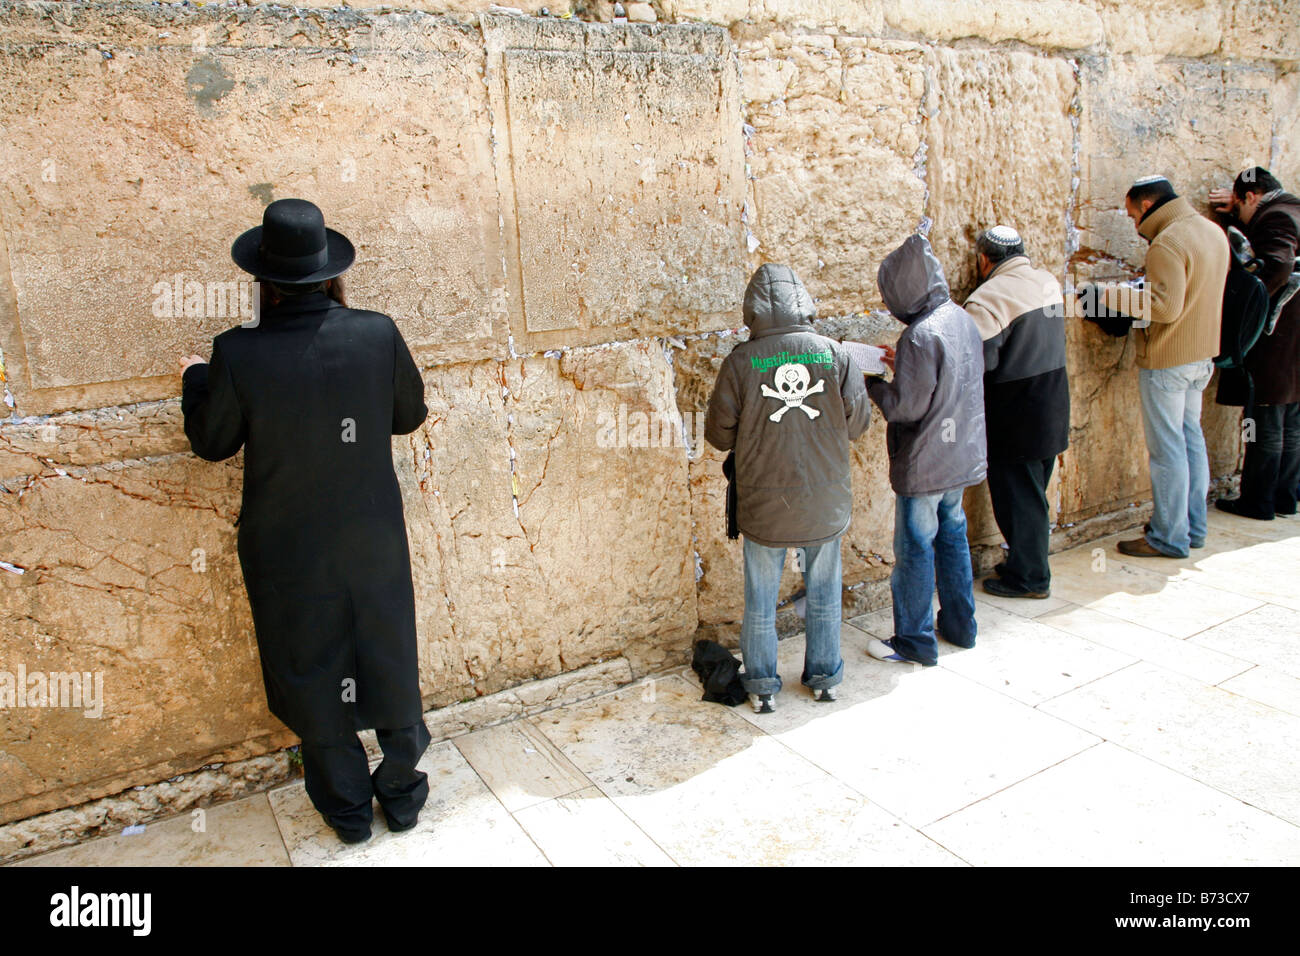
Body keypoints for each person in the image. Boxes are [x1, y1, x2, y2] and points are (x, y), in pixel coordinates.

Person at [180, 198, 431, 844]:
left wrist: (195, 382)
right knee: (388, 656)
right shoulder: (377, 333)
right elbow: (408, 414)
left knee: (314, 671)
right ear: (329, 271)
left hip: (289, 550)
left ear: (265, 281)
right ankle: (401, 795)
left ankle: (348, 809)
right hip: (372, 538)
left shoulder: (236, 355)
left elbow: (213, 441)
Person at [704, 263, 872, 713]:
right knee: (823, 591)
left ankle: (760, 685)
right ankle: (825, 678)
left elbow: (718, 435)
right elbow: (859, 424)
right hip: (824, 502)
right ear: (804, 303)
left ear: (753, 310)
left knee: (760, 600)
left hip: (763, 505)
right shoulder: (835, 354)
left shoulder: (741, 361)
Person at [1083, 176, 1228, 558]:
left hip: (1169, 360)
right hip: (1201, 357)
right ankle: (1193, 529)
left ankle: (1168, 537)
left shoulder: (1167, 242)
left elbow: (1165, 307)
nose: (1134, 226)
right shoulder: (1212, 232)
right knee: (1190, 440)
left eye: (1133, 216)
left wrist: (1108, 294)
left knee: (1167, 450)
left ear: (1147, 206)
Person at [864, 234, 987, 667]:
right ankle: (961, 626)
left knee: (915, 549)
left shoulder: (919, 335)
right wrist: (906, 366)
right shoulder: (959, 318)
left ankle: (914, 640)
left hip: (927, 464)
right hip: (961, 456)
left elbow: (906, 407)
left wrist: (873, 383)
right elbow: (951, 376)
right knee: (953, 538)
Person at [963, 226, 1070, 599]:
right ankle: (1025, 564)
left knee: (1018, 501)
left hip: (1017, 414)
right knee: (1033, 494)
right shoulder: (1046, 281)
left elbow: (980, 361)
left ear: (984, 259)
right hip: (1053, 404)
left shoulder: (989, 297)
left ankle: (1030, 578)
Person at [1209, 168, 1300, 520]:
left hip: (1276, 339)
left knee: (1263, 421)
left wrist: (1248, 306)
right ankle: (1284, 498)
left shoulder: (1275, 216)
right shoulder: (1292, 210)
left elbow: (1276, 263)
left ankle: (1257, 501)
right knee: (1290, 421)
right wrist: (1236, 210)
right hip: (1294, 341)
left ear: (1251, 196)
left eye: (1240, 203)